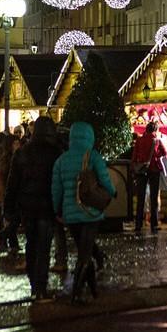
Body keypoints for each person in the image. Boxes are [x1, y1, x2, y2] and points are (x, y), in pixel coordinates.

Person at [51, 121, 116, 304]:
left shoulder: (61, 160)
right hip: (90, 213)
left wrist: (57, 208)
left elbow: (56, 189)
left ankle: (93, 289)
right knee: (84, 254)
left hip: (71, 215)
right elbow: (104, 178)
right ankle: (76, 294)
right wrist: (113, 192)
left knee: (83, 250)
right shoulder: (93, 156)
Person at [5, 115, 62, 299]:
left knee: (31, 243)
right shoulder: (56, 153)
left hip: (27, 204)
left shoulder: (22, 152)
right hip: (47, 204)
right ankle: (41, 286)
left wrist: (9, 208)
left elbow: (12, 183)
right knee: (44, 246)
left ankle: (33, 281)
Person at [130, 121, 167, 233]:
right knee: (153, 198)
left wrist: (134, 168)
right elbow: (165, 153)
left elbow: (134, 156)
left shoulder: (139, 140)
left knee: (141, 198)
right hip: (154, 170)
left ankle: (138, 224)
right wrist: (156, 157)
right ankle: (154, 224)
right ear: (155, 130)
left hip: (141, 171)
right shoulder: (157, 141)